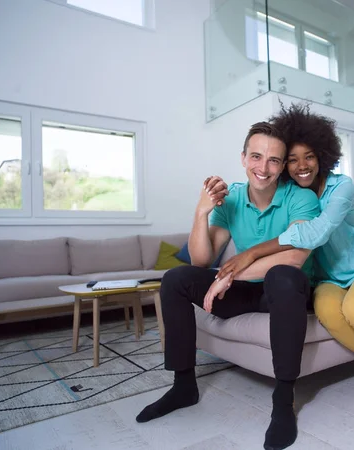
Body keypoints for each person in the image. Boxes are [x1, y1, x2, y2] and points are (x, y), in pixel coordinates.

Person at [135, 121, 320, 450]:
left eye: (274, 160)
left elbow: (294, 257)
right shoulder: (232, 197)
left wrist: (230, 275)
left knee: (283, 275)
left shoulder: (302, 198)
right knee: (176, 278)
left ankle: (283, 401)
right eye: (256, 157)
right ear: (243, 157)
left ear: (282, 166)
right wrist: (201, 212)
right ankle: (183, 386)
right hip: (249, 290)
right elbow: (201, 260)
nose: (263, 168)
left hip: (285, 291)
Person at [215, 103, 354, 401]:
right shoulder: (294, 196)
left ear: (323, 155)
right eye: (292, 160)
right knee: (329, 312)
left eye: (309, 156)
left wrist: (252, 252)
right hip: (326, 281)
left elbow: (315, 232)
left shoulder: (342, 187)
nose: (302, 165)